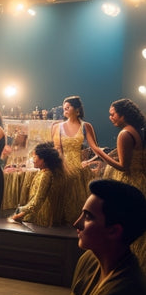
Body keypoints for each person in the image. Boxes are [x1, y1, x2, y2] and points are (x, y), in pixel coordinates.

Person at [51, 95, 98, 224]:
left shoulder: (86, 126)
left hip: (80, 167)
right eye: (64, 107)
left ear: (77, 110)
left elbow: (95, 148)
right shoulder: (57, 127)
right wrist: (61, 166)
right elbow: (57, 149)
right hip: (63, 165)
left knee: (79, 199)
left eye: (68, 107)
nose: (64, 109)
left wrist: (89, 162)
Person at [11, 142, 66, 227]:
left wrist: (20, 212)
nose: (33, 159)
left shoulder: (46, 175)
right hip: (36, 215)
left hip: (41, 220)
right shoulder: (42, 172)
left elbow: (37, 202)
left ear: (43, 159)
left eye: (35, 156)